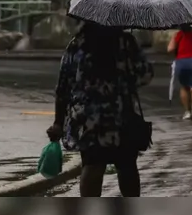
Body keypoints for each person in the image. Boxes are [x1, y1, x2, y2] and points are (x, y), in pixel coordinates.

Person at [46, 22, 154, 197]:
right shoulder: (126, 42)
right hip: (121, 115)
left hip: (88, 119)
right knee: (126, 165)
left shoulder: (78, 44)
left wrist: (58, 122)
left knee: (92, 164)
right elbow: (146, 74)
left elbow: (63, 86)